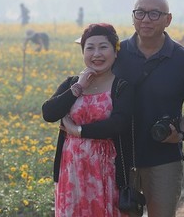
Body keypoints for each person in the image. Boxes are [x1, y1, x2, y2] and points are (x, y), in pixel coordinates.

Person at [113, 0, 184, 216]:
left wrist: (180, 132)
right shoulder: (117, 54)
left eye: (154, 14)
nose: (146, 19)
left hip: (164, 159)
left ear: (167, 19)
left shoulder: (182, 58)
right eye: (140, 13)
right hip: (120, 157)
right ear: (133, 17)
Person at [42, 23, 134, 216]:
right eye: (90, 48)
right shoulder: (72, 83)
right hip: (71, 169)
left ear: (115, 52)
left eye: (103, 47)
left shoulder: (122, 86)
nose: (96, 54)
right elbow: (49, 113)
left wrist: (78, 131)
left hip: (107, 170)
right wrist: (78, 88)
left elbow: (118, 124)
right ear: (83, 53)